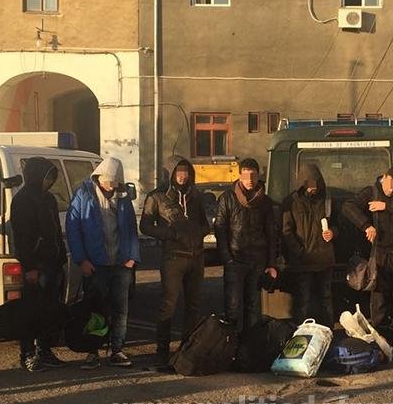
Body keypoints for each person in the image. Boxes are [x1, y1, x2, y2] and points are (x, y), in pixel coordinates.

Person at [66, 157, 140, 369]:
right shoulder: (83, 195)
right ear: (97, 177)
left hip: (121, 262)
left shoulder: (123, 197)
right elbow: (74, 229)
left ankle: (117, 350)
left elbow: (131, 229)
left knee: (121, 309)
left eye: (114, 181)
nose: (110, 185)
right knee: (94, 309)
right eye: (107, 181)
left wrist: (132, 257)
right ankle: (93, 352)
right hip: (95, 264)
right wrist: (81, 259)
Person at [140, 155, 209, 370]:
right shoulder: (157, 197)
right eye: (178, 171)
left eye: (186, 171)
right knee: (168, 305)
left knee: (194, 305)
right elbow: (145, 226)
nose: (182, 175)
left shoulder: (196, 196)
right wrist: (168, 233)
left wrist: (200, 231)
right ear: (170, 173)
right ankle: (162, 352)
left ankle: (187, 350)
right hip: (173, 257)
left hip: (196, 257)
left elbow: (205, 224)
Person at [344, 166, 393, 349]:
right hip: (381, 254)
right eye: (390, 185)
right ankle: (379, 337)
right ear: (383, 178)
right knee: (379, 298)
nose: (392, 189)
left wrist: (387, 206)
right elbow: (349, 207)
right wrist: (366, 225)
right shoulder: (371, 192)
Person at [10, 157, 69, 372]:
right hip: (35, 266)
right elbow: (22, 237)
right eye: (47, 177)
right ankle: (27, 353)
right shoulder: (23, 200)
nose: (50, 182)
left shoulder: (49, 199)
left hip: (52, 263)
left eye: (52, 178)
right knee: (31, 311)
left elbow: (54, 232)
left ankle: (45, 350)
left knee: (49, 311)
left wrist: (61, 257)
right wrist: (31, 266)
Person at [215, 158, 277, 334]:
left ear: (259, 176)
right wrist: (227, 258)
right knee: (232, 308)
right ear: (239, 175)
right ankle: (230, 349)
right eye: (246, 175)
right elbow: (220, 230)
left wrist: (271, 264)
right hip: (235, 260)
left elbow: (271, 233)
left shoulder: (265, 201)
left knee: (253, 309)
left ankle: (250, 351)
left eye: (253, 175)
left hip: (258, 262)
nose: (250, 179)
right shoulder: (227, 198)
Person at [280, 162, 337, 327]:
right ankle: (301, 334)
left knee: (326, 299)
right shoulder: (290, 202)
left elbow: (338, 224)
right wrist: (299, 251)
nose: (314, 187)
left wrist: (333, 232)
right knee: (302, 301)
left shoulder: (327, 200)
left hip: (324, 259)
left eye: (317, 183)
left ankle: (328, 332)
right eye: (311, 184)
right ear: (302, 183)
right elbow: (286, 231)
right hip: (302, 261)